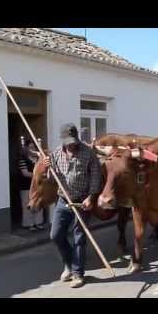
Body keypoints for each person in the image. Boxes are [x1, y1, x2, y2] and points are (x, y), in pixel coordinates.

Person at [43, 123, 102, 288]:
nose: (72, 144)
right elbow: (51, 179)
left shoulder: (88, 153)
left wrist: (91, 197)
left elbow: (96, 178)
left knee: (79, 238)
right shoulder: (55, 154)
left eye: (74, 140)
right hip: (63, 200)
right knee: (55, 235)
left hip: (82, 201)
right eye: (68, 141)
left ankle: (78, 273)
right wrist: (48, 169)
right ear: (63, 140)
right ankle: (68, 263)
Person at [19, 140, 44, 231]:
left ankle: (38, 222)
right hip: (26, 186)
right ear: (26, 148)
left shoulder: (38, 159)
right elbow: (25, 173)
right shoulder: (22, 159)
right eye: (30, 147)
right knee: (27, 205)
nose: (32, 149)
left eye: (33, 147)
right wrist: (37, 175)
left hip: (37, 186)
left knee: (38, 204)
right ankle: (29, 224)